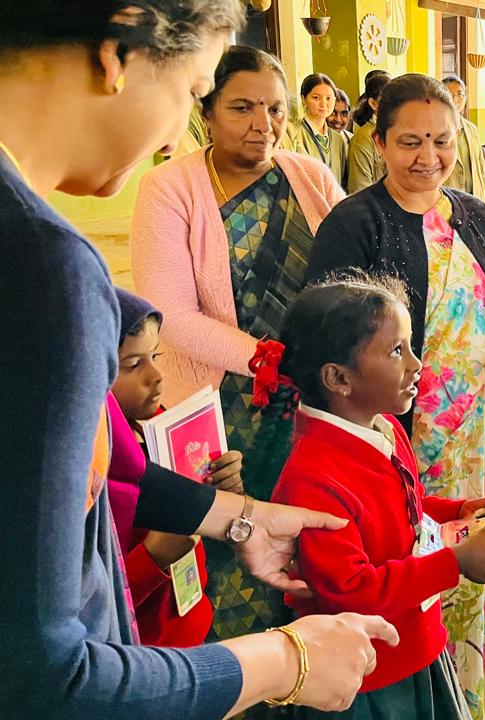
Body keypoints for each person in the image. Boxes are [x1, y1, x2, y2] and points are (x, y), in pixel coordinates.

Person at [0, 2, 397, 716]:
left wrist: (240, 517)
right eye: (194, 90)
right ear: (119, 51)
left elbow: (111, 471)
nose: (175, 127)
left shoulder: (307, 177)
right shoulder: (44, 271)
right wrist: (286, 661)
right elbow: (45, 672)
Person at [305, 74, 485, 720]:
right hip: (401, 442)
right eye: (410, 141)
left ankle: (478, 701)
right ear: (379, 142)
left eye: (442, 140)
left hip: (479, 438)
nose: (428, 157)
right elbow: (333, 338)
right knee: (413, 581)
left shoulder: (479, 216)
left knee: (479, 565)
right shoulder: (356, 225)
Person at [131, 45, 346, 641]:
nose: (263, 124)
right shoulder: (169, 188)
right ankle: (235, 675)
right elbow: (170, 314)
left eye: (275, 108)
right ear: (207, 111)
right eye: (242, 107)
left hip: (305, 405)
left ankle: (307, 666)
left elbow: (348, 279)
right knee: (225, 549)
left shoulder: (310, 176)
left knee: (308, 538)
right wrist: (264, 359)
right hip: (218, 413)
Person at [270, 273, 485, 720]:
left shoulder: (382, 427)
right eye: (395, 351)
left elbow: (407, 506)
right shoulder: (313, 478)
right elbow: (351, 592)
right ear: (338, 378)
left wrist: (460, 511)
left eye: (409, 346)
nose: (416, 364)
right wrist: (454, 563)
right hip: (367, 680)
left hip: (415, 647)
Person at [108, 287, 246, 648]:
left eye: (155, 355)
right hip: (140, 652)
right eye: (133, 365)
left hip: (190, 627)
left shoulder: (160, 424)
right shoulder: (91, 469)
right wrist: (153, 557)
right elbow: (88, 600)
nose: (156, 375)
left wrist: (224, 490)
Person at [441, 74, 485, 207]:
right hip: (446, 202)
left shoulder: (472, 129)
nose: (455, 98)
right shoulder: (433, 129)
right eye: (450, 94)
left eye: (460, 94)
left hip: (474, 202)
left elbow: (481, 172)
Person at [293, 73, 349, 186]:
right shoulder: (294, 133)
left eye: (328, 98)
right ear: (303, 99)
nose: (323, 104)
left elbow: (343, 180)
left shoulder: (338, 139)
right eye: (316, 98)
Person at [348, 71, 392, 193]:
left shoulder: (399, 132)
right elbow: (359, 190)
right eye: (388, 100)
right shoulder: (363, 140)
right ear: (373, 103)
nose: (395, 105)